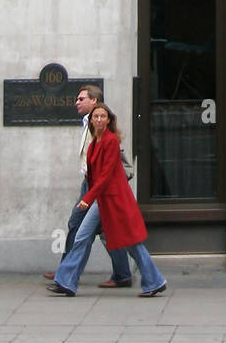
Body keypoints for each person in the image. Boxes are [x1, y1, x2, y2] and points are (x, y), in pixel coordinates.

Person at [49, 104, 166, 298]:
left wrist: (87, 198)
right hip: (103, 199)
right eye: (96, 117)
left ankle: (154, 281)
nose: (99, 120)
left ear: (109, 120)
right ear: (92, 120)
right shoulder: (96, 142)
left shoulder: (110, 141)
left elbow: (106, 176)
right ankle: (66, 281)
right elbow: (95, 176)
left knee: (130, 242)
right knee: (83, 236)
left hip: (114, 200)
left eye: (103, 116)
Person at [44, 85, 132, 290]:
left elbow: (111, 157)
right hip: (92, 183)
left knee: (79, 226)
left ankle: (65, 274)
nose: (77, 102)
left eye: (81, 98)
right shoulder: (88, 122)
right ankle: (122, 274)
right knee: (104, 231)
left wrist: (93, 192)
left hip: (98, 186)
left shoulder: (101, 122)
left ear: (94, 101)